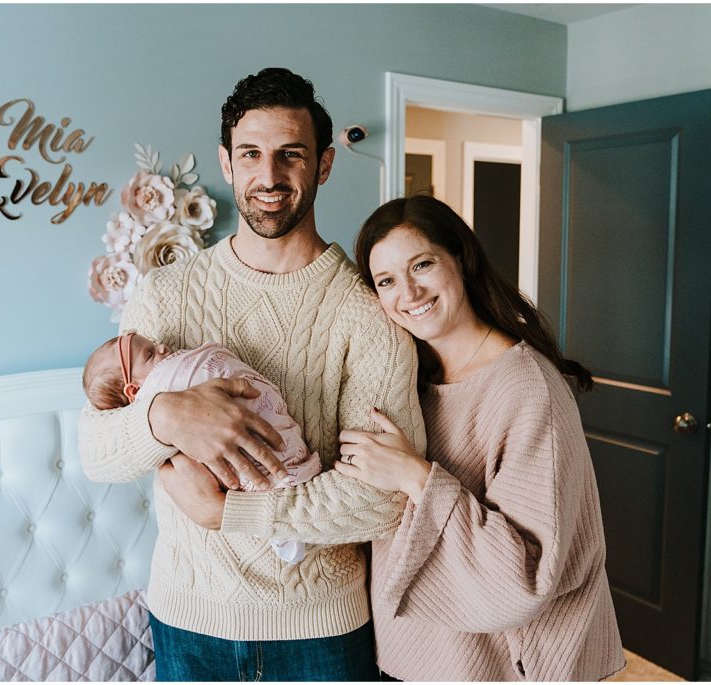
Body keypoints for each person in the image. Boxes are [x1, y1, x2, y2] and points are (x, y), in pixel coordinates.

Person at [78, 67, 426, 681]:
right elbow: (96, 453)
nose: (269, 177)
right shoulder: (165, 294)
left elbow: (383, 500)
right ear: (227, 161)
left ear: (323, 165)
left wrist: (233, 515)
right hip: (188, 622)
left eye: (291, 155)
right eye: (251, 154)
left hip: (320, 630)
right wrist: (164, 416)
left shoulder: (370, 313)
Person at [336, 194, 625, 681]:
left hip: (499, 667)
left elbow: (529, 572)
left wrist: (416, 475)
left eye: (422, 265)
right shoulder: (410, 380)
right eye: (387, 281)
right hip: (413, 654)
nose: (408, 292)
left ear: (461, 260)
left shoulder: (526, 387)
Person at [81, 331, 322, 562]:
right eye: (150, 353)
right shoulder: (150, 299)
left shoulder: (348, 308)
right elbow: (91, 454)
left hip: (318, 588)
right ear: (134, 390)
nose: (163, 347)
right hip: (182, 583)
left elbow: (359, 500)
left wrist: (224, 512)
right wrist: (164, 416)